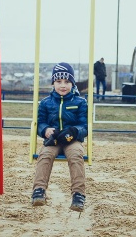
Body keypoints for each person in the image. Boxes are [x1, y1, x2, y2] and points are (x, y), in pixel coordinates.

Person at [31, 62, 88, 212]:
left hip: (72, 140)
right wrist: (45, 130)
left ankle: (78, 194)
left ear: (72, 83)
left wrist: (75, 131)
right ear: (53, 83)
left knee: (76, 156)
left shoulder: (80, 102)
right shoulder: (45, 103)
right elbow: (41, 123)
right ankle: (39, 191)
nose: (63, 85)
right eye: (59, 81)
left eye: (67, 82)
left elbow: (85, 126)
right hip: (53, 139)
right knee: (45, 155)